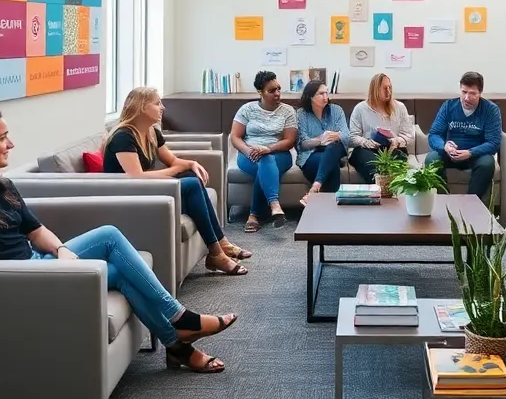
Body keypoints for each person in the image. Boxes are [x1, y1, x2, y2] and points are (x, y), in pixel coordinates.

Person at [0, 106, 238, 373]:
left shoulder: (0, 184)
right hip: (18, 277)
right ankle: (181, 319)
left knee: (122, 276)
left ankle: (176, 346)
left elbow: (35, 229)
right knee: (110, 237)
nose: (10, 143)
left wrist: (59, 250)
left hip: (37, 262)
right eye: (2, 138)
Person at [103, 86, 249, 275]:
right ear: (141, 107)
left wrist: (190, 164)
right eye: (157, 103)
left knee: (192, 179)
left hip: (144, 189)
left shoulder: (151, 133)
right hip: (127, 195)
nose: (162, 107)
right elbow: (136, 177)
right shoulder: (123, 136)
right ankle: (217, 252)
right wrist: (178, 169)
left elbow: (172, 161)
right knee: (191, 184)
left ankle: (220, 247)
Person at [230, 70, 298, 232]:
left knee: (267, 159)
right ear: (260, 92)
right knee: (264, 162)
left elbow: (289, 141)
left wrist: (268, 148)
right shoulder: (247, 109)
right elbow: (235, 137)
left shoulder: (287, 111)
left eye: (278, 89)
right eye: (272, 90)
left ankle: (255, 215)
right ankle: (273, 205)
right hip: (249, 155)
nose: (277, 93)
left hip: (279, 154)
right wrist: (248, 151)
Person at [424, 71, 502, 201]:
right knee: (431, 159)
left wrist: (470, 152)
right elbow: (434, 134)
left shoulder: (490, 110)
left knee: (487, 163)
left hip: (475, 155)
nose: (466, 98)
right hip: (450, 153)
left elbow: (493, 143)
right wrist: (444, 146)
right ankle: (444, 201)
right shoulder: (448, 106)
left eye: (472, 94)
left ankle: (470, 203)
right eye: (464, 92)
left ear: (480, 93)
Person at [347, 73, 415, 184]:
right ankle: (377, 192)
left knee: (393, 164)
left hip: (393, 149)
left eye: (390, 87)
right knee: (371, 164)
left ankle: (388, 194)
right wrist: (366, 142)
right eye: (384, 88)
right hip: (366, 149)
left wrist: (397, 141)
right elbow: (352, 137)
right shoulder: (360, 109)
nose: (388, 91)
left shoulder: (400, 107)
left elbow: (409, 136)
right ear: (375, 89)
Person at [297, 80, 350, 206]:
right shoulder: (301, 114)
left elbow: (347, 135)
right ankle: (332, 207)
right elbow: (302, 143)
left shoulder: (336, 110)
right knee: (332, 167)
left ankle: (315, 188)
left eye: (326, 93)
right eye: (321, 94)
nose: (326, 97)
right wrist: (320, 139)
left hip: (336, 149)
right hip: (313, 154)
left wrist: (337, 135)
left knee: (333, 147)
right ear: (310, 96)